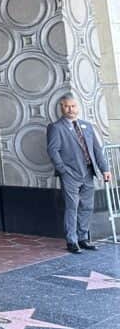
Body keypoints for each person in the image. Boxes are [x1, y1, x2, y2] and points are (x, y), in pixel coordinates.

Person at [46, 93, 112, 253]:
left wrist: (105, 169)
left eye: (73, 106)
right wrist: (63, 171)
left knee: (87, 207)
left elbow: (97, 149)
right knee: (72, 207)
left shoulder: (86, 125)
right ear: (61, 107)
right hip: (70, 175)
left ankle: (83, 238)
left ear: (78, 107)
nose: (70, 109)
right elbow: (53, 150)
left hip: (89, 173)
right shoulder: (56, 127)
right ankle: (72, 241)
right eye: (66, 106)